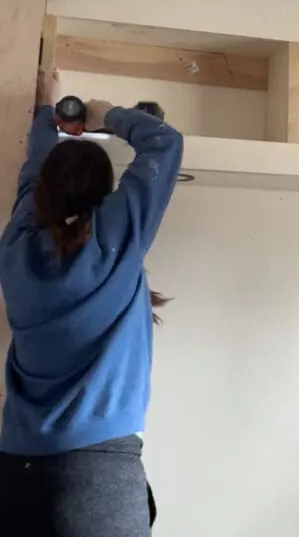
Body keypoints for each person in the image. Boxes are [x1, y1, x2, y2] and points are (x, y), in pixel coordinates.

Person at [0, 69, 183, 536]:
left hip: (16, 475)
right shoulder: (113, 235)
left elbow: (34, 169)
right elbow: (164, 142)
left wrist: (49, 113)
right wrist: (107, 114)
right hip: (94, 481)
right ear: (105, 193)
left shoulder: (17, 243)